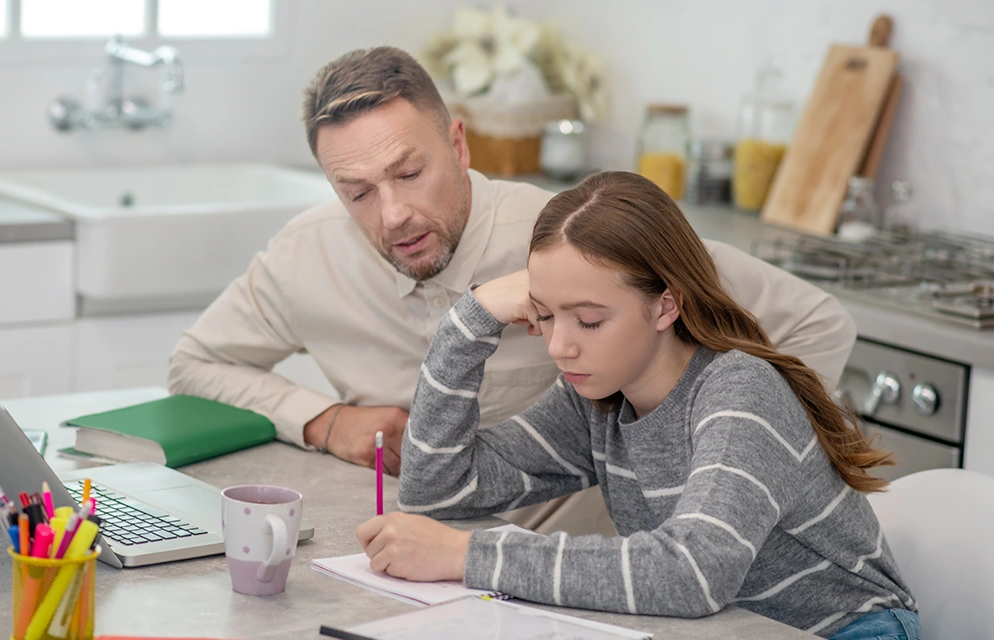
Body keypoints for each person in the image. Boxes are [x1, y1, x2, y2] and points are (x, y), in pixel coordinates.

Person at [168, 46, 857, 537]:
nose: (392, 215)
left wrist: (714, 484)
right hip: (417, 555)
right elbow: (193, 364)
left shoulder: (574, 239)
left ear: (459, 145)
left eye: (409, 173)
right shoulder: (305, 256)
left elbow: (817, 325)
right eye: (357, 192)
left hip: (595, 570)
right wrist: (323, 419)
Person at [356, 171, 919, 639]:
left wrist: (466, 555)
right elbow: (438, 491)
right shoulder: (598, 398)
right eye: (546, 315)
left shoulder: (741, 393)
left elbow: (692, 572)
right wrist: (469, 322)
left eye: (591, 319)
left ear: (666, 305)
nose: (559, 346)